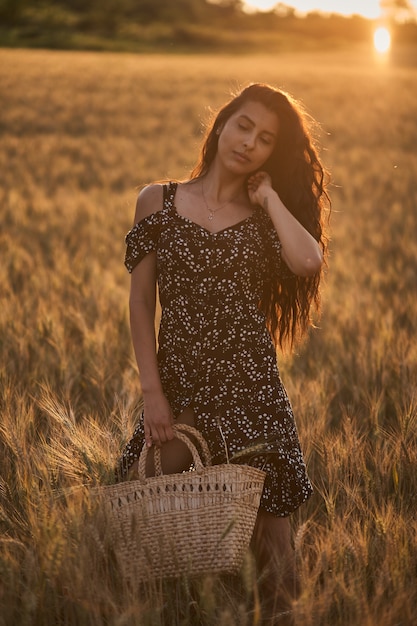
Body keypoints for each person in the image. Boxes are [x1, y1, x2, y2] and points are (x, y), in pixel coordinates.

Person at [117, 83, 330, 625]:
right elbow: (142, 303)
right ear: (221, 123)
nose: (249, 142)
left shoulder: (265, 217)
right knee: (144, 520)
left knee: (274, 550)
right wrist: (153, 394)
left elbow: (308, 263)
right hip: (181, 388)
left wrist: (271, 198)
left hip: (252, 394)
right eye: (243, 125)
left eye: (265, 140)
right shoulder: (157, 201)